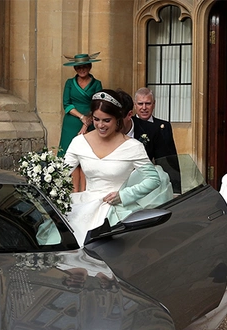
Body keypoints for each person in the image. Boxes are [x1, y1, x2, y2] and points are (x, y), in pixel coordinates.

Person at [63, 89, 172, 245]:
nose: (100, 125)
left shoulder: (133, 146)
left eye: (106, 120)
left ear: (117, 118)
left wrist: (123, 195)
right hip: (84, 204)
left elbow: (153, 179)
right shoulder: (79, 142)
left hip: (117, 210)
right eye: (96, 119)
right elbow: (61, 174)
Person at [58, 53, 103, 192]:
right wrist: (81, 117)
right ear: (75, 68)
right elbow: (66, 104)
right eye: (78, 67)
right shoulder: (69, 83)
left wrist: (86, 123)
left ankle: (84, 192)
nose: (82, 70)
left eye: (84, 66)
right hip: (71, 123)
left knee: (85, 157)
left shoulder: (97, 83)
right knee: (71, 157)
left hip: (91, 122)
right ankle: (73, 192)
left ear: (89, 67)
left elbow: (97, 105)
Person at [134, 87, 182, 193]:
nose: (144, 108)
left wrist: (175, 189)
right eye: (140, 104)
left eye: (148, 103)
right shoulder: (130, 125)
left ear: (154, 104)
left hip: (158, 182)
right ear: (135, 105)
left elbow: (170, 160)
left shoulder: (164, 126)